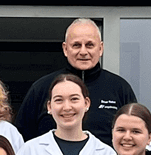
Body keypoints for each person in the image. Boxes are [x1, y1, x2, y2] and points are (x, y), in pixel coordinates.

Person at [15, 18, 136, 146]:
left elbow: (135, 134)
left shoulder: (119, 88)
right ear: (65, 49)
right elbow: (21, 140)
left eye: (89, 45)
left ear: (100, 48)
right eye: (76, 45)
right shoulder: (41, 88)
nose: (83, 52)